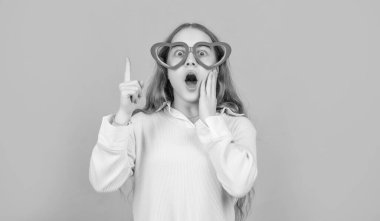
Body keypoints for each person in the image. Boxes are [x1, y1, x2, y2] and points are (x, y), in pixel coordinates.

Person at [89, 22, 258, 221]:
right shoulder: (141, 125)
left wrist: (211, 122)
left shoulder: (237, 127)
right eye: (179, 53)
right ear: (167, 71)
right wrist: (123, 116)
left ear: (217, 68)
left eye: (202, 53)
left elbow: (239, 184)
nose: (190, 61)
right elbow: (102, 180)